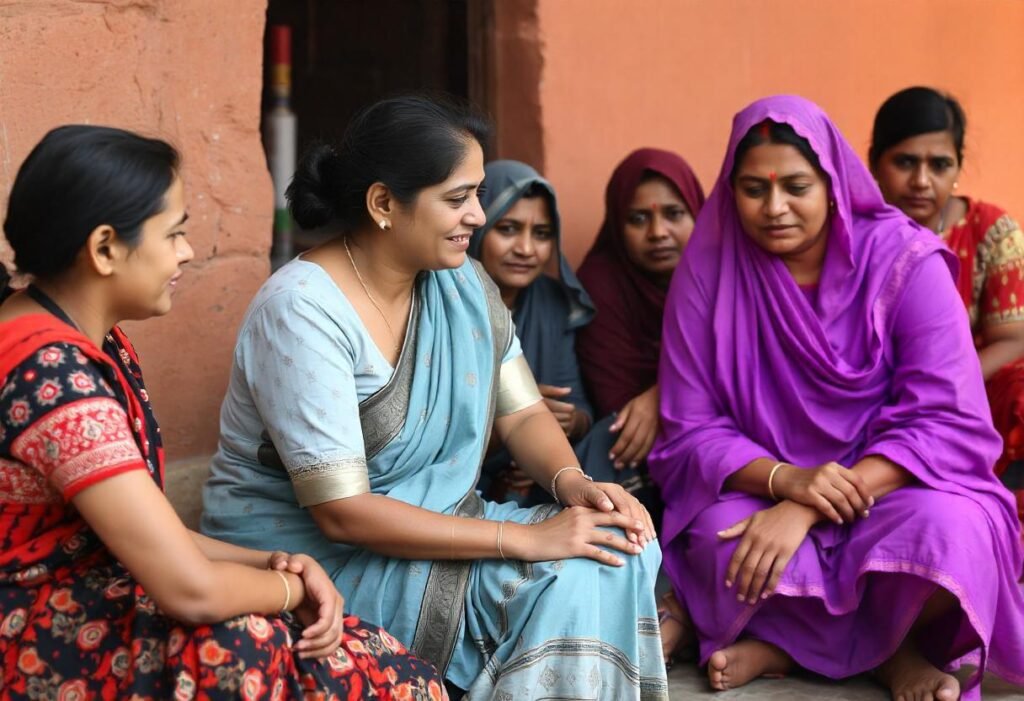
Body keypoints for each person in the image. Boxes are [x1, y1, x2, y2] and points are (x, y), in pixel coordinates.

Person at [200, 96, 665, 700]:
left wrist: (573, 485)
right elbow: (342, 513)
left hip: (439, 527)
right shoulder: (303, 310)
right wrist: (527, 538)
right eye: (457, 198)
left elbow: (520, 410)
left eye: (474, 194)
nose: (476, 214)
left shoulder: (461, 281)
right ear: (384, 204)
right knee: (561, 571)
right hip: (312, 559)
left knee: (615, 549)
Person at [0, 126, 445, 699]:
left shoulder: (88, 339)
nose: (188, 252)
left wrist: (277, 563)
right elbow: (190, 590)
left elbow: (154, 534)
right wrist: (291, 589)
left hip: (92, 593)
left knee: (349, 655)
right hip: (33, 630)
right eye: (174, 233)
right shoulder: (55, 378)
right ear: (105, 248)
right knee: (240, 644)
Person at [649, 96, 1024, 700]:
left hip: (893, 488)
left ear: (834, 181)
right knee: (718, 542)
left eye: (796, 186)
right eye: (753, 189)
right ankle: (887, 656)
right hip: (762, 490)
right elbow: (690, 429)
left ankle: (793, 646)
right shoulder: (709, 267)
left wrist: (808, 503)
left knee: (955, 533)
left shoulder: (906, 260)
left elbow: (947, 419)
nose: (775, 208)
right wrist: (782, 480)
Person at [871, 86, 1024, 519]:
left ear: (957, 167)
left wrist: (941, 380)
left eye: (939, 165)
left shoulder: (990, 229)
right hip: (873, 391)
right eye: (905, 162)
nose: (922, 181)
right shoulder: (855, 235)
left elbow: (1013, 337)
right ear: (875, 164)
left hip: (970, 389)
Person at [468, 159, 622, 505]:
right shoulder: (448, 303)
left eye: (541, 234)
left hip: (546, 474)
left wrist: (567, 421)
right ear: (478, 226)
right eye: (507, 228)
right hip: (461, 478)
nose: (525, 249)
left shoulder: (552, 303)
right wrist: (514, 419)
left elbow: (580, 406)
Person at [576, 149, 705, 508]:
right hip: (634, 465)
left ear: (699, 213)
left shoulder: (726, 278)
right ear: (618, 225)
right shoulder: (601, 284)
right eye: (638, 218)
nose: (658, 232)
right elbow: (621, 408)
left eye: (674, 214)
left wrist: (664, 392)